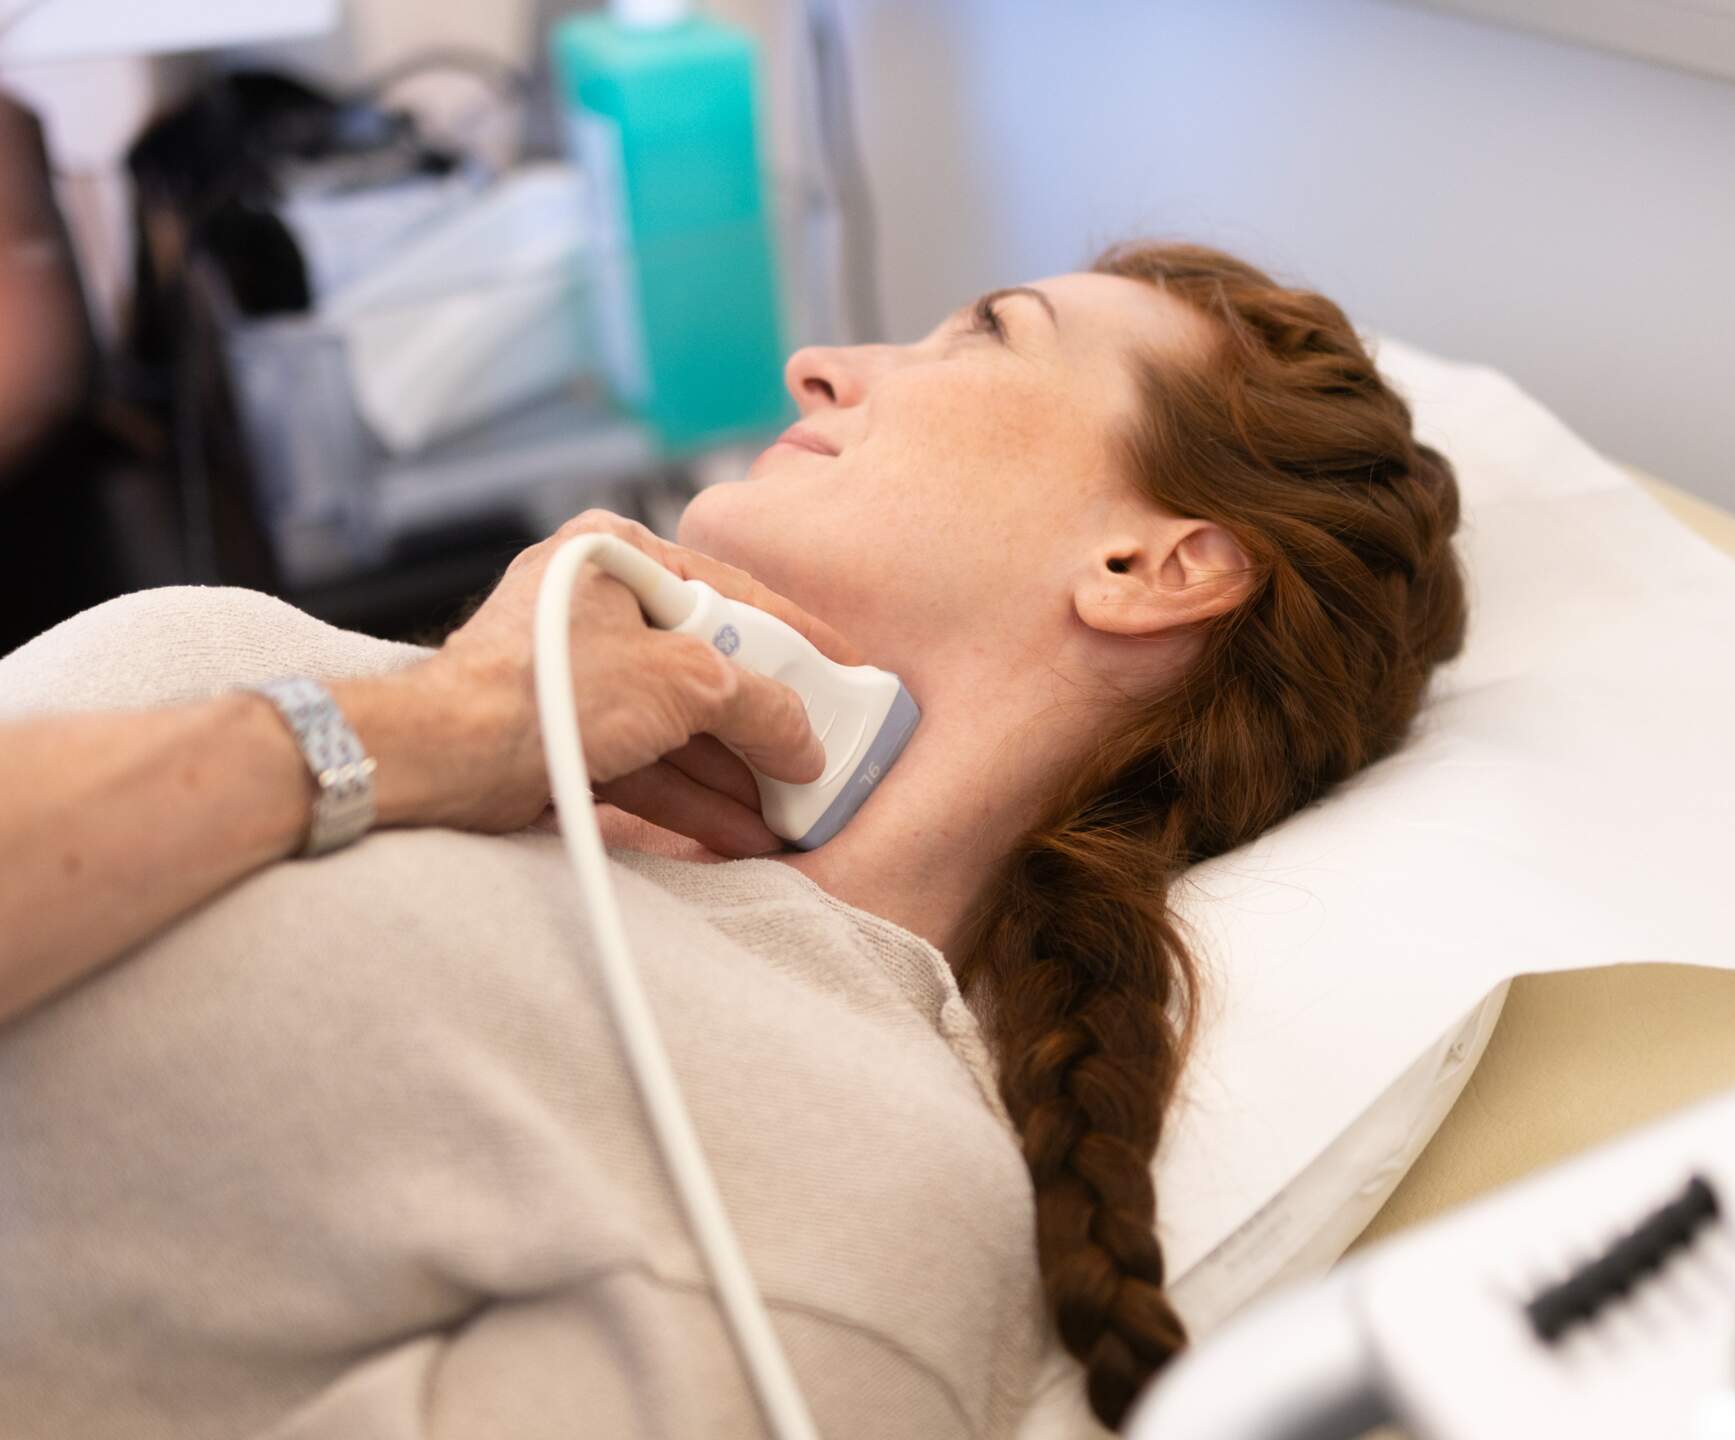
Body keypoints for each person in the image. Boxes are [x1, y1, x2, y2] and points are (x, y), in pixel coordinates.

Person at [0, 242, 1467, 1435]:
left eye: (983, 336)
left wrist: (431, 734)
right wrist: (449, 717)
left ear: (1152, 565)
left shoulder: (846, 1200)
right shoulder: (435, 712)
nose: (820, 365)